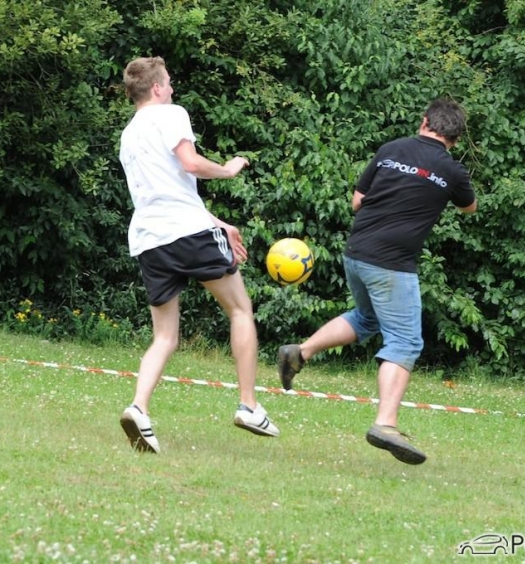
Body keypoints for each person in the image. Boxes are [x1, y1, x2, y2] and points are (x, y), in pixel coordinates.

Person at [277, 98, 477, 465]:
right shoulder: (453, 170)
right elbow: (469, 207)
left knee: (366, 318)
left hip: (357, 252)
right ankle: (385, 424)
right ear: (455, 138)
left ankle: (300, 352)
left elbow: (357, 201)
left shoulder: (391, 149)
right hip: (392, 263)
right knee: (405, 341)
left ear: (424, 121)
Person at [117, 56, 279, 454]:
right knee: (240, 310)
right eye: (169, 82)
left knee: (165, 336)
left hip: (149, 238)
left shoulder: (129, 134)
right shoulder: (171, 113)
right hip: (186, 230)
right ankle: (249, 406)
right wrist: (228, 169)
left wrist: (219, 223)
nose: (172, 88)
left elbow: (165, 191)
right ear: (157, 88)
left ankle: (138, 408)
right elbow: (189, 165)